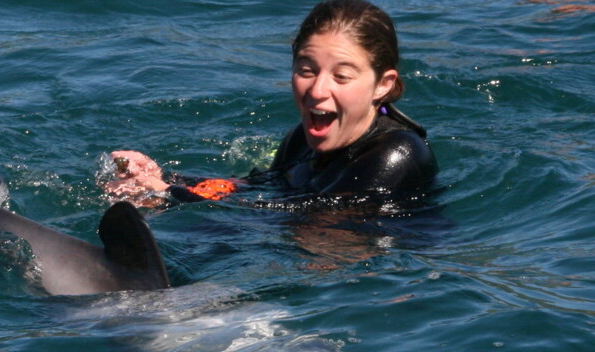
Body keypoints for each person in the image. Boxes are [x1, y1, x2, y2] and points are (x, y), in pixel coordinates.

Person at [105, 0, 437, 207]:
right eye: (306, 71)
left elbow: (315, 228)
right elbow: (256, 191)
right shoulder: (303, 138)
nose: (317, 90)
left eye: (342, 77)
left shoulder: (397, 155)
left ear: (383, 84)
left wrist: (166, 195)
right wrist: (166, 177)